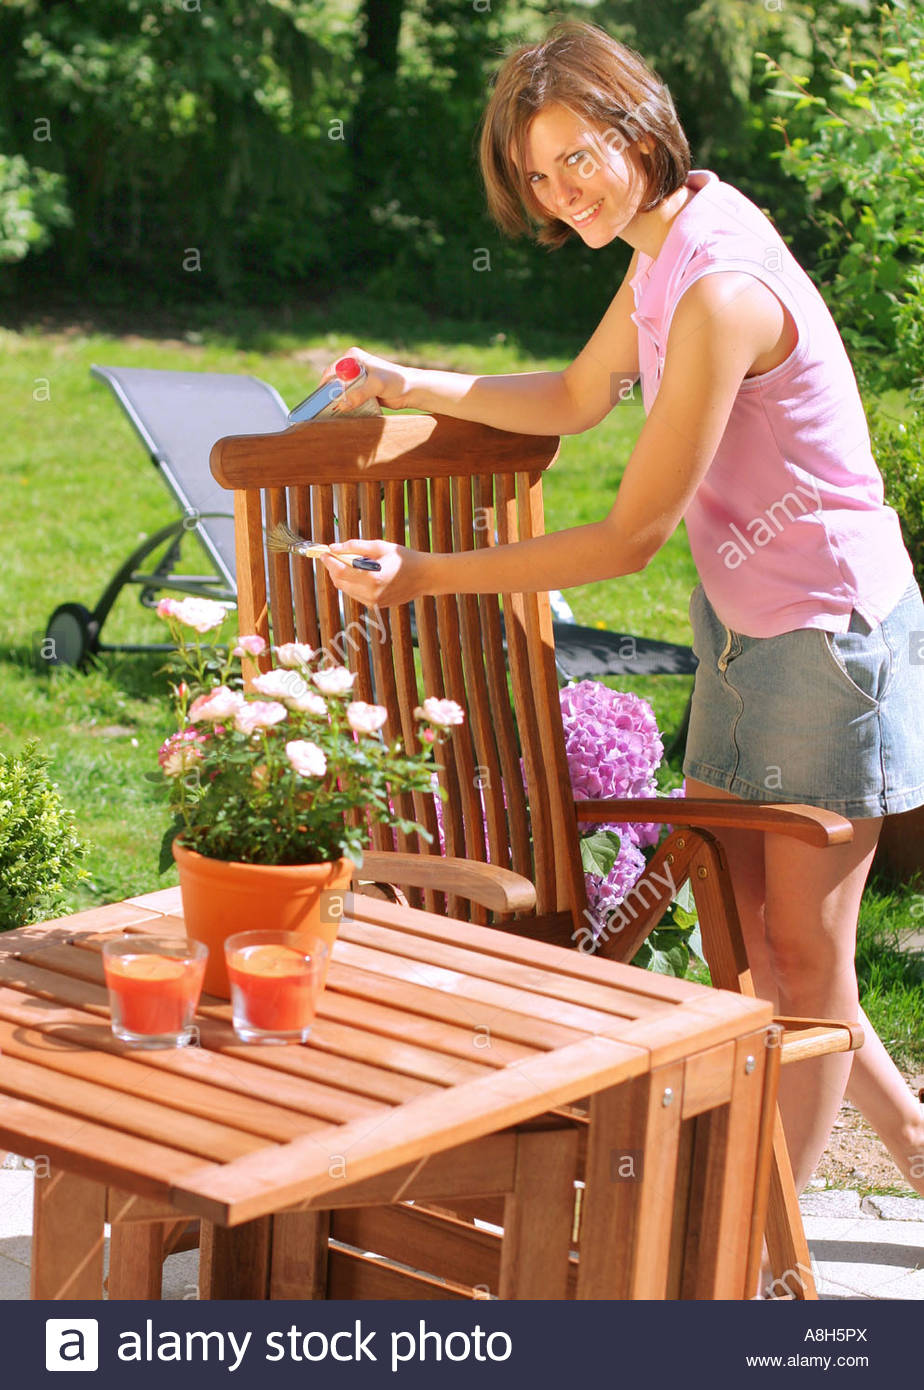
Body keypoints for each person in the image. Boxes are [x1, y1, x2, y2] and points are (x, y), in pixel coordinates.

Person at [316, 20, 924, 1218]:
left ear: (638, 128)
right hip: (749, 629)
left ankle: (758, 1261)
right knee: (755, 949)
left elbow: (630, 534)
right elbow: (579, 394)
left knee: (799, 964)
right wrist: (411, 378)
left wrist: (424, 575)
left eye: (574, 159)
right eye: (537, 175)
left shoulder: (718, 288)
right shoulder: (668, 241)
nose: (558, 194)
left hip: (826, 640)